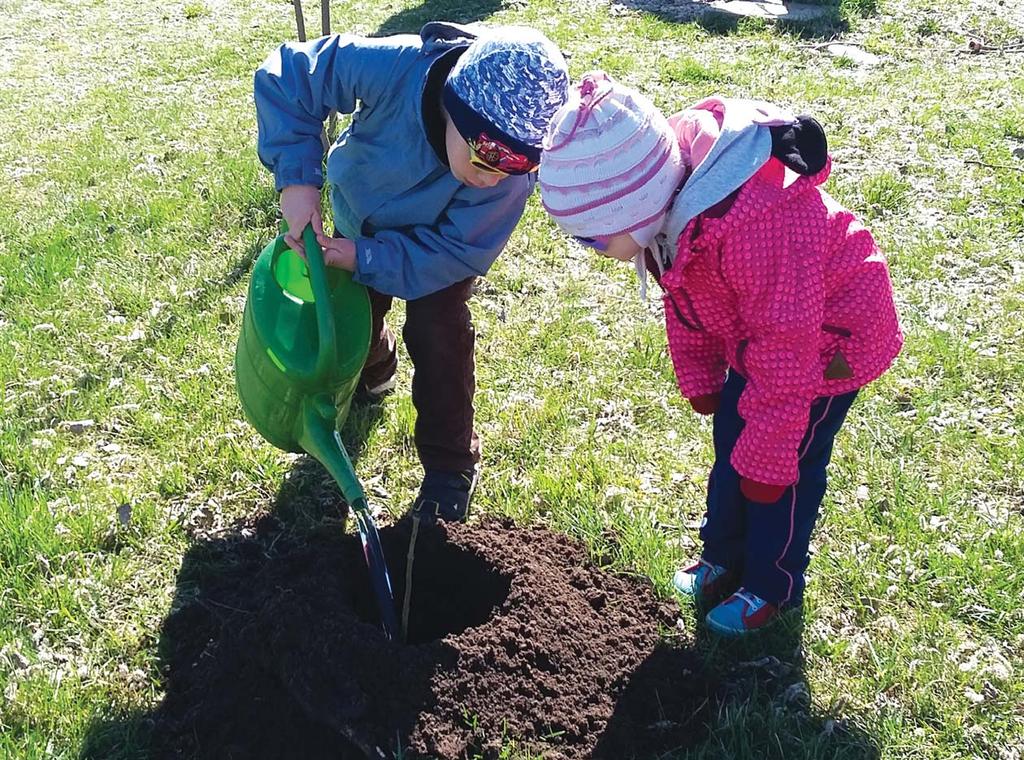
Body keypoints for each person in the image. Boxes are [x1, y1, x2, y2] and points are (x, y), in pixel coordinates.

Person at [538, 72, 903, 635]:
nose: (588, 250)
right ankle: (722, 554)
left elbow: (789, 349)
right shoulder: (672, 210)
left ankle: (770, 584)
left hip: (828, 345)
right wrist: (705, 376)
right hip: (758, 339)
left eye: (590, 237)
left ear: (630, 207)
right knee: (734, 439)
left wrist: (766, 460)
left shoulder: (759, 226)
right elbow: (686, 297)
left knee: (784, 468)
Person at [254, 23, 569, 521]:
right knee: (350, 312)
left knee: (439, 336)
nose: (489, 178)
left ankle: (450, 466)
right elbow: (292, 75)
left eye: (510, 169)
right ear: (453, 106)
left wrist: (367, 257)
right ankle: (374, 368)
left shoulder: (505, 182)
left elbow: (455, 251)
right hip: (358, 216)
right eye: (484, 157)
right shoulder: (396, 68)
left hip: (435, 256)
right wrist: (297, 182)